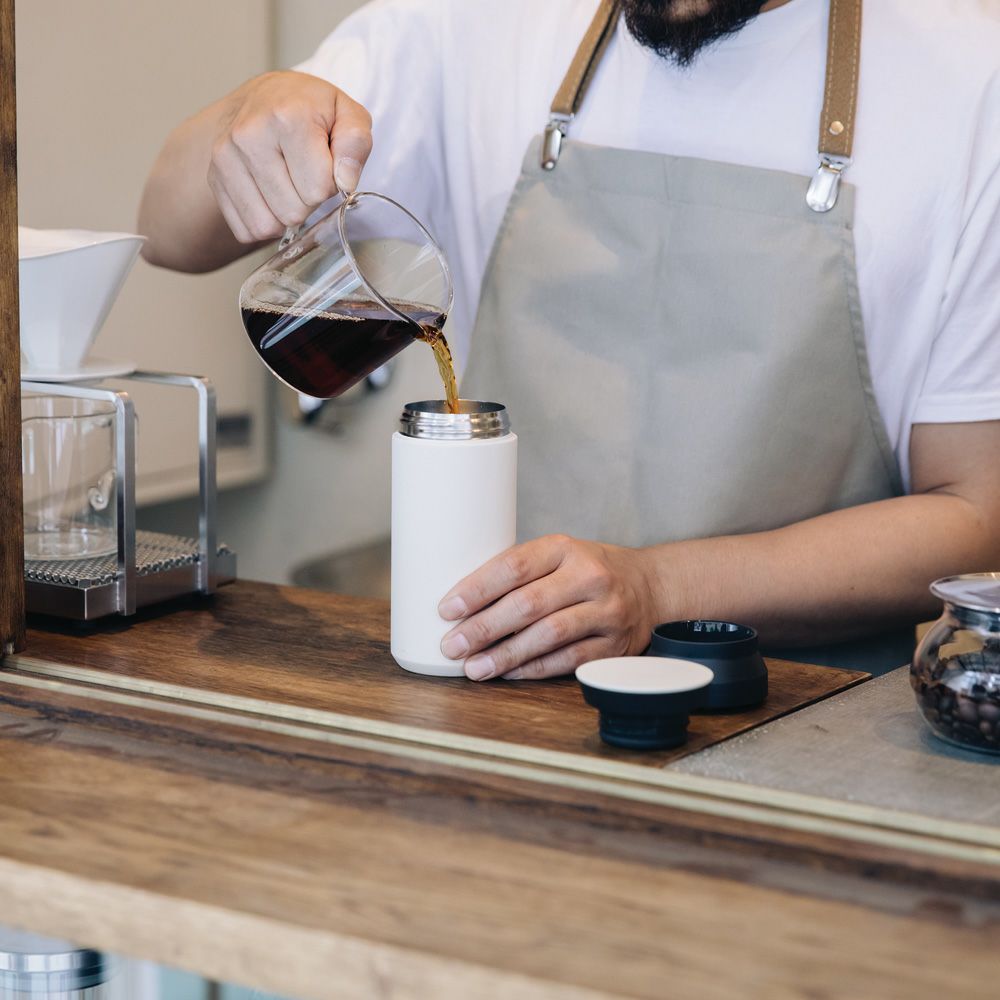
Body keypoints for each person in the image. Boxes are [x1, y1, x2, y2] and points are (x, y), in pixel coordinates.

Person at [139, 0, 1000, 680]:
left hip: (800, 731)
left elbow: (978, 515)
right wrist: (250, 113)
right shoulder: (469, 27)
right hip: (503, 705)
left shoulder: (970, 81)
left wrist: (658, 587)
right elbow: (170, 233)